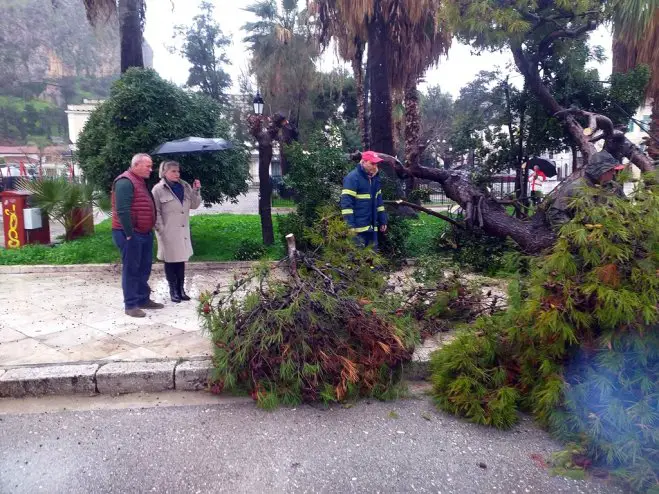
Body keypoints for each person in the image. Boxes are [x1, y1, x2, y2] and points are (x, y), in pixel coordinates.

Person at [111, 153, 164, 318]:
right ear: (136, 165)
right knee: (132, 269)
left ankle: (143, 299)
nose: (151, 169)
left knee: (144, 267)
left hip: (143, 233)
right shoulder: (125, 182)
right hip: (130, 234)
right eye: (148, 166)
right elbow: (122, 210)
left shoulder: (140, 182)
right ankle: (131, 304)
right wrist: (129, 234)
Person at [151, 161, 202, 303]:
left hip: (182, 231)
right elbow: (156, 211)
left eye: (178, 171)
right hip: (167, 231)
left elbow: (194, 205)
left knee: (180, 261)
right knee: (170, 261)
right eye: (173, 171)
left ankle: (181, 290)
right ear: (164, 172)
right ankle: (173, 291)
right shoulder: (158, 189)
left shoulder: (184, 186)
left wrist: (196, 190)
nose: (177, 174)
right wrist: (160, 229)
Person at [545, 150, 625, 228]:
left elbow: (626, 208)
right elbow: (555, 214)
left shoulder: (614, 187)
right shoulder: (574, 188)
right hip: (586, 238)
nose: (614, 173)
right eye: (611, 170)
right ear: (600, 171)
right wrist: (574, 232)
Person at [340, 150, 388, 247]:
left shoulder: (375, 179)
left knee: (372, 259)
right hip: (357, 230)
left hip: (372, 228)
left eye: (376, 164)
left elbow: (379, 202)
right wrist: (350, 226)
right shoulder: (352, 178)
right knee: (357, 260)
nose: (375, 166)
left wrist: (383, 220)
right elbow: (347, 205)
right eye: (372, 163)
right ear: (363, 162)